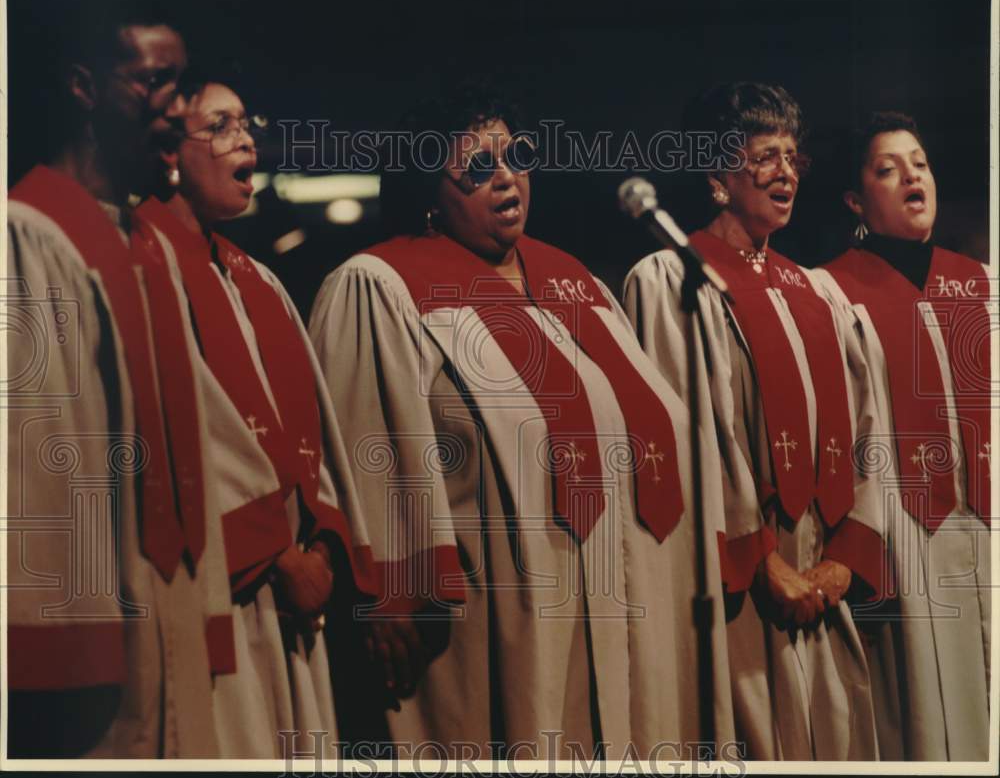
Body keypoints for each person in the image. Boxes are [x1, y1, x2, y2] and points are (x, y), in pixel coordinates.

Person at [307, 83, 736, 759]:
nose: (505, 176)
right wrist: (386, 589)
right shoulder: (383, 284)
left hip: (617, 590)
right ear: (427, 189)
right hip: (490, 609)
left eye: (518, 155)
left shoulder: (575, 281)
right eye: (478, 167)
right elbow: (366, 442)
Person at [624, 83, 886, 760]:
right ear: (716, 178)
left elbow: (868, 425)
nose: (787, 172)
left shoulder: (816, 290)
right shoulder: (669, 279)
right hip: (737, 581)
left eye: (793, 157)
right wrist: (762, 560)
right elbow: (686, 435)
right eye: (766, 155)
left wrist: (841, 562)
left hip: (823, 583)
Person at [5, 0, 236, 756]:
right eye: (155, 83)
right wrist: (57, 648)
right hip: (90, 640)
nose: (179, 109)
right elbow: (39, 463)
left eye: (183, 84)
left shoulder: (150, 245)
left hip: (166, 607)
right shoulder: (28, 234)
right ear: (83, 86)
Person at [133, 74, 376, 757]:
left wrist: (324, 539)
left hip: (293, 596)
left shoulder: (257, 279)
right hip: (215, 586)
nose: (246, 139)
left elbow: (313, 431)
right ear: (167, 151)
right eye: (221, 124)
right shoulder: (137, 263)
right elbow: (180, 435)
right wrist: (277, 551)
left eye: (247, 122)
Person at [811, 112, 991, 761]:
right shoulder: (830, 293)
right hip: (906, 531)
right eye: (888, 167)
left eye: (920, 161)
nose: (912, 173)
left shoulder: (981, 282)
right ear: (856, 200)